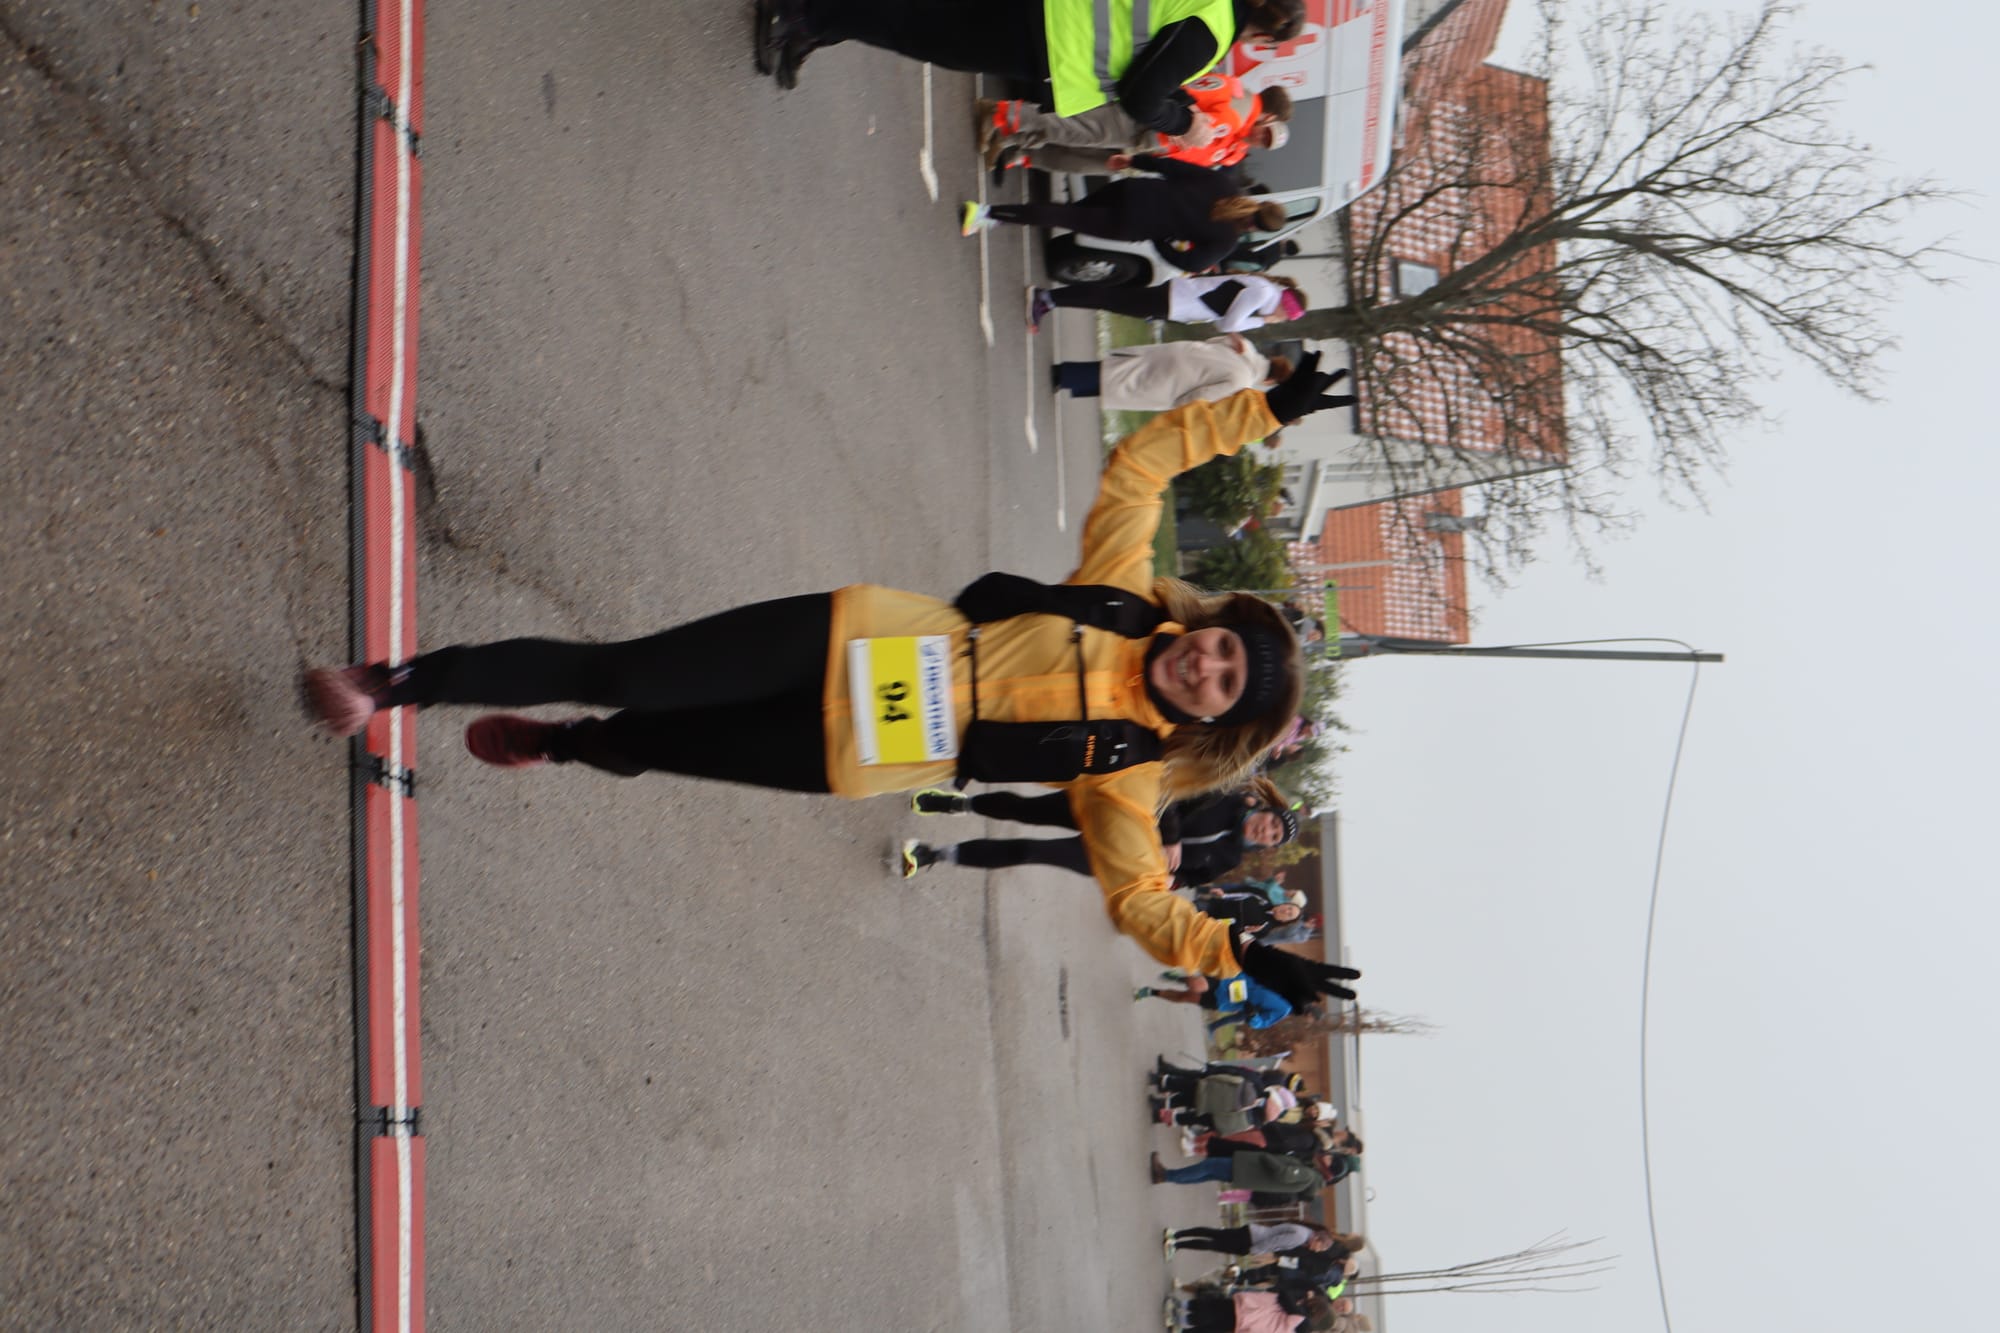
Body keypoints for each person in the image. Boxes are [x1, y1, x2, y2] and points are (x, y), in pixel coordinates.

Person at [304, 371, 1365, 1002]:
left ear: (1220, 721)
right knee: (629, 671)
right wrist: (1261, 409)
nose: (1206, 663)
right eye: (1220, 643)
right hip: (852, 639)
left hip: (845, 753)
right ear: (1207, 621)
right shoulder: (1122, 597)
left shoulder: (1129, 777)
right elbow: (1144, 462)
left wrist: (1234, 948)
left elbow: (1140, 901)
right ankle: (396, 683)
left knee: (640, 739)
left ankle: (565, 744)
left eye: (1225, 681)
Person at [753, 0, 1305, 108]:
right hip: (1049, 39)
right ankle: (802, 16)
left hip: (1050, 19)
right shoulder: (1212, 32)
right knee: (920, 29)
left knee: (923, 20)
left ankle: (815, 28)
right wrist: (1182, 122)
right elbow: (1142, 94)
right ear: (1264, 38)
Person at [963, 156, 1287, 277]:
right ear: (1257, 229)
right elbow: (1191, 264)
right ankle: (986, 212)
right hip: (1135, 224)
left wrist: (1135, 161)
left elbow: (1175, 167)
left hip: (1135, 190)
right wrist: (1160, 242)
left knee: (1071, 211)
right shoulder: (1227, 239)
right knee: (1064, 216)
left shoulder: (1224, 184)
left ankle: (993, 217)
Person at [979, 76, 1292, 174]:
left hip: (1149, 145)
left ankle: (1009, 136)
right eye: (1265, 133)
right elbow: (1185, 92)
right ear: (1268, 119)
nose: (1260, 138)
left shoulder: (1236, 146)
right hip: (1150, 121)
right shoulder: (1238, 103)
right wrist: (1183, 125)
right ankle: (1000, 114)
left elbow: (1195, 157)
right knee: (1073, 129)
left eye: (1264, 142)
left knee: (1073, 143)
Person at [1050, 335, 1291, 412]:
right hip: (1176, 381)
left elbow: (1213, 340)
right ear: (1269, 381)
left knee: (1120, 370)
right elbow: (1202, 396)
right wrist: (1178, 408)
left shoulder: (1246, 346)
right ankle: (1065, 377)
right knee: (1121, 384)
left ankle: (1068, 377)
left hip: (1183, 353)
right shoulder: (1243, 381)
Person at [1029, 274, 1315, 336]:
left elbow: (1221, 321)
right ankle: (1049, 298)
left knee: (1110, 299)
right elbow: (1228, 325)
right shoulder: (1262, 296)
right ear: (1285, 307)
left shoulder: (1264, 292)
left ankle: (1051, 299)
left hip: (1177, 300)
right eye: (1284, 317)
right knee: (1108, 299)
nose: (1279, 319)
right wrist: (1262, 321)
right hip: (1176, 300)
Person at [1150, 1144, 1324, 1194]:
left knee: (1208, 1166)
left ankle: (1165, 1175)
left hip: (1248, 1169)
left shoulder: (1308, 1175)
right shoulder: (1306, 1182)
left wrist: (1268, 1158)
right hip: (1248, 1174)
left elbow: (1283, 1173)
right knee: (1207, 1174)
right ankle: (1166, 1177)